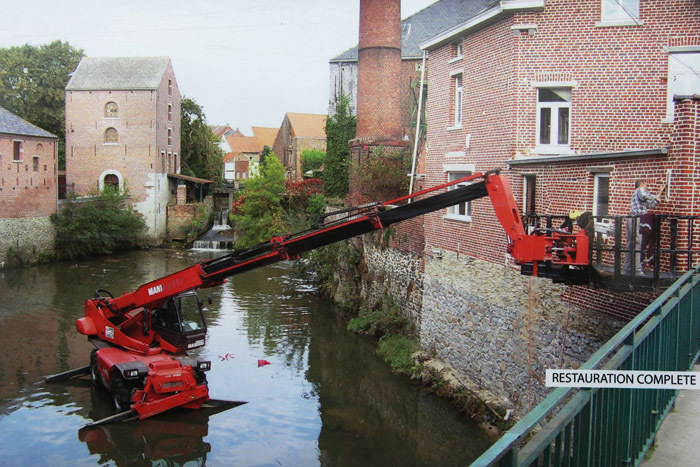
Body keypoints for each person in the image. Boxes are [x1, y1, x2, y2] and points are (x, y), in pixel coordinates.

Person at [624, 179, 665, 275]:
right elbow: (645, 195)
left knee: (631, 244)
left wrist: (659, 194)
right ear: (641, 184)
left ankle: (627, 269)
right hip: (635, 219)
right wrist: (656, 196)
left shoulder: (638, 196)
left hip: (633, 219)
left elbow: (650, 205)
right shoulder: (640, 190)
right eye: (646, 185)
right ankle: (637, 270)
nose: (646, 187)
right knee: (637, 244)